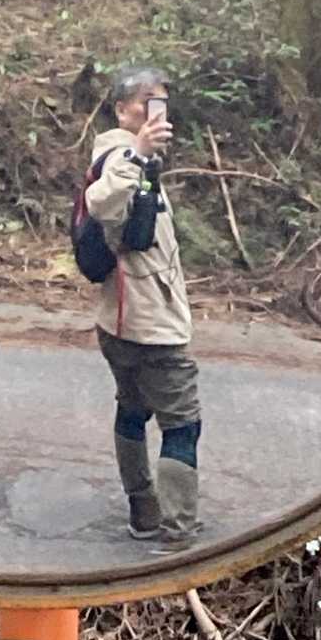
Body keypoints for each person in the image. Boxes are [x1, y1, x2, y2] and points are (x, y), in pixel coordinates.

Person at [86, 64, 202, 550]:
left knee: (132, 411)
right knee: (183, 425)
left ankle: (143, 509)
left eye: (162, 105)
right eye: (147, 104)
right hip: (151, 324)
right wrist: (137, 151)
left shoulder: (131, 156)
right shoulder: (121, 154)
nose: (157, 113)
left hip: (117, 318)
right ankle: (178, 532)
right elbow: (100, 201)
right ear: (121, 110)